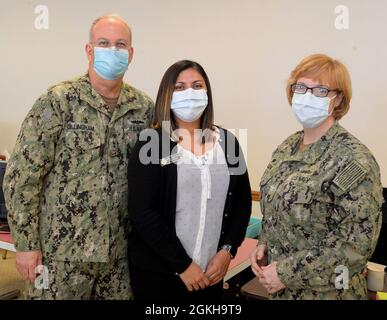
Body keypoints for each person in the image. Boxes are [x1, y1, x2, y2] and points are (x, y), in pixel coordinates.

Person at [3, 14, 154, 299]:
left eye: (120, 44)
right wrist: (25, 244)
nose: (113, 50)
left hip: (119, 258)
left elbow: (154, 179)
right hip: (61, 254)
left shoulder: (143, 109)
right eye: (104, 43)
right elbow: (21, 177)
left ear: (131, 54)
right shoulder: (58, 101)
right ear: (89, 50)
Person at [250, 54, 383, 300]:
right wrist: (263, 243)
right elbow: (276, 207)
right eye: (301, 87)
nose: (307, 95)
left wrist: (286, 273)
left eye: (320, 90)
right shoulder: (287, 147)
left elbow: (355, 246)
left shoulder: (353, 160)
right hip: (280, 292)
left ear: (338, 98)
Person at [127, 60, 251, 301]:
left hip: (211, 274)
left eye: (197, 85)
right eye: (180, 87)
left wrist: (227, 251)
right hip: (160, 276)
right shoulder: (153, 142)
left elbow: (242, 203)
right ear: (167, 95)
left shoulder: (229, 143)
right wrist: (183, 265)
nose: (190, 93)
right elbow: (142, 211)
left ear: (207, 92)